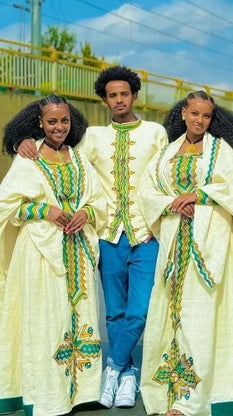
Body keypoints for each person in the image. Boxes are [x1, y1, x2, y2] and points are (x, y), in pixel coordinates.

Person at [13, 66, 168, 409]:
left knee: (141, 309)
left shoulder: (156, 133)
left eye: (124, 94)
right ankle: (127, 376)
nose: (118, 100)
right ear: (104, 99)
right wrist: (20, 141)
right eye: (111, 95)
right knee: (113, 312)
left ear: (134, 95)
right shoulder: (93, 137)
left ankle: (112, 367)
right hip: (108, 234)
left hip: (146, 233)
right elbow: (56, 144)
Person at [138, 90, 233, 416]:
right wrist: (171, 202)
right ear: (183, 113)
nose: (200, 120)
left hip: (209, 242)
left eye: (207, 116)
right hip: (175, 240)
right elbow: (148, 191)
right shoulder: (166, 153)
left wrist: (196, 196)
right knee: (176, 312)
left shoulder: (221, 152)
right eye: (195, 114)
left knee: (202, 313)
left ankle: (196, 399)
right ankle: (173, 392)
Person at [0, 95, 107, 416]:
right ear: (40, 123)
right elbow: (8, 205)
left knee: (77, 316)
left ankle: (81, 392)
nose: (59, 127)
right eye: (52, 122)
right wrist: (44, 209)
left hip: (78, 253)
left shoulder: (78, 159)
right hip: (39, 254)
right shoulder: (28, 158)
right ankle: (44, 394)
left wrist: (86, 213)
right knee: (43, 320)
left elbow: (98, 200)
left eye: (64, 121)